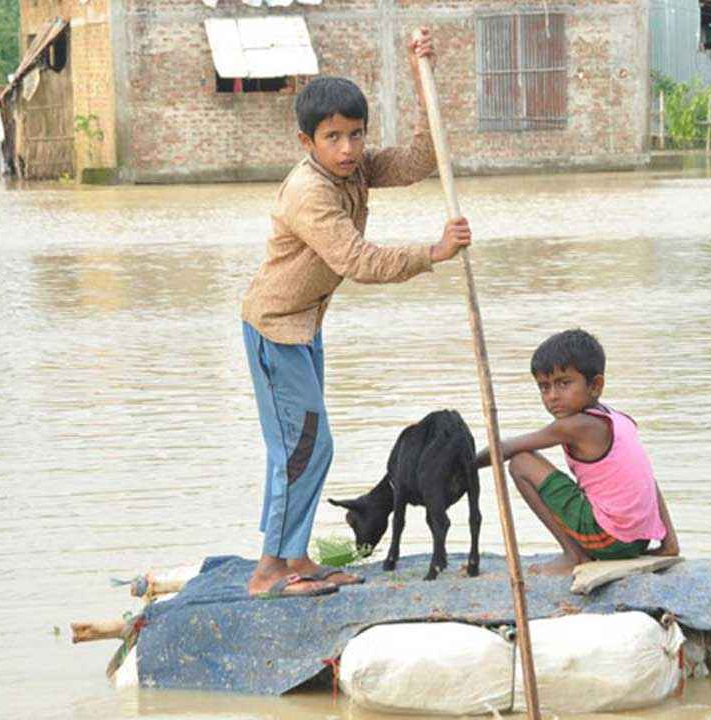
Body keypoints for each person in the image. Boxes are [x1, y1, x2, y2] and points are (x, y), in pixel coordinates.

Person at [240, 28, 472, 597]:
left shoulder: (356, 169)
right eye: (333, 138)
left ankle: (294, 557)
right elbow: (358, 260)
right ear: (307, 141)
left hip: (304, 325)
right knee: (304, 447)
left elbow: (419, 159)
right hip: (276, 331)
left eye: (356, 135)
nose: (347, 148)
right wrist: (433, 253)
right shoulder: (309, 193)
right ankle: (270, 570)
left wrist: (423, 77)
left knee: (302, 445)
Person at [476, 329, 679, 575]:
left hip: (610, 538)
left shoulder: (574, 426)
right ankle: (666, 542)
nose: (552, 396)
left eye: (564, 383)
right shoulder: (620, 419)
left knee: (520, 463)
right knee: (531, 459)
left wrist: (465, 465)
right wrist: (669, 543)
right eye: (544, 387)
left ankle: (574, 555)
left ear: (595, 385)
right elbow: (649, 481)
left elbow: (506, 449)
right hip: (639, 538)